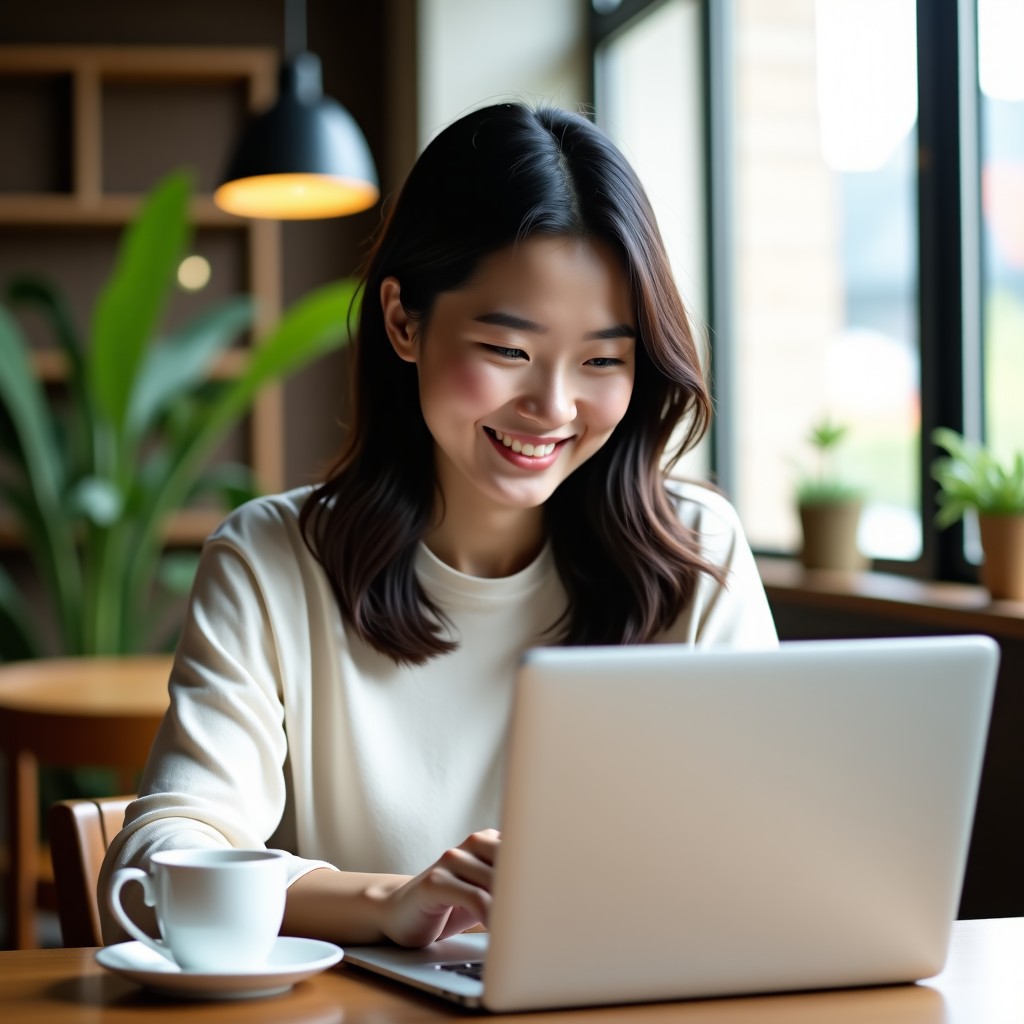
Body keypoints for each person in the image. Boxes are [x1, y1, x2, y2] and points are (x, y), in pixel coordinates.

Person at [99, 102, 777, 949]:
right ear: (403, 322)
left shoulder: (694, 555)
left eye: (604, 359)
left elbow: (764, 858)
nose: (554, 407)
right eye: (507, 350)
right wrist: (386, 902)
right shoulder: (272, 562)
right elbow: (156, 863)